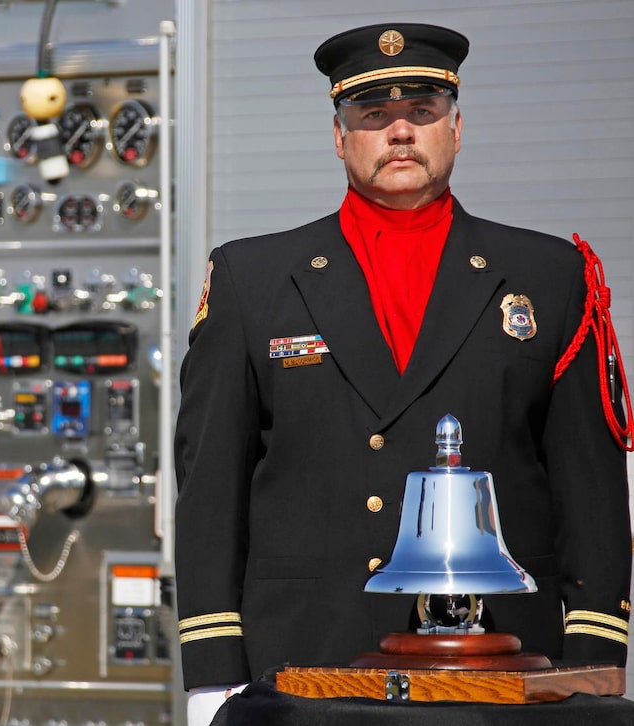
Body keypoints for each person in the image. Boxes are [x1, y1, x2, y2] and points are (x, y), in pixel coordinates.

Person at [174, 22, 632, 725]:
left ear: (456, 128)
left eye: (421, 113)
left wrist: (592, 656)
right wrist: (212, 675)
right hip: (302, 669)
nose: (399, 133)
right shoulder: (254, 278)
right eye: (373, 116)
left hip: (502, 672)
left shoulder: (548, 275)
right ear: (339, 136)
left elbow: (589, 487)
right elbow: (210, 486)